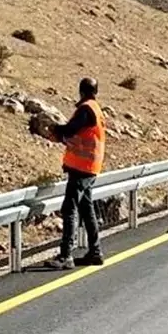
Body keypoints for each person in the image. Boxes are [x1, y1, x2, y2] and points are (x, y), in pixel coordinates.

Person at [45, 78, 106, 270]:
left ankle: (65, 255)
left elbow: (71, 129)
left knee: (69, 209)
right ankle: (95, 252)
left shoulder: (86, 109)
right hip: (90, 168)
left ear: (81, 91)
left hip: (81, 168)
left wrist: (56, 129)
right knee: (86, 208)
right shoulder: (95, 108)